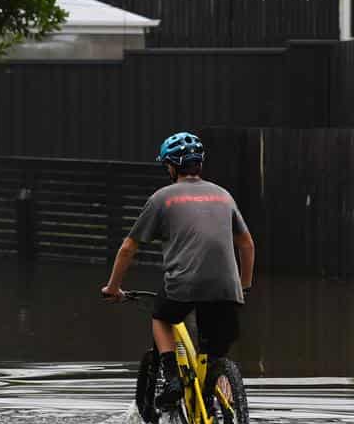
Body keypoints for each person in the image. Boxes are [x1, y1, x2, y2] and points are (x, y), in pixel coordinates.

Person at [102, 132, 255, 407]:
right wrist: (243, 287)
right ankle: (230, 415)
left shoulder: (163, 198)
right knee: (215, 357)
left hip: (183, 285)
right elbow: (247, 244)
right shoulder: (224, 195)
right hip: (227, 289)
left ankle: (172, 376)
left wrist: (113, 288)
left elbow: (128, 248)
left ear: (171, 167)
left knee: (161, 317)